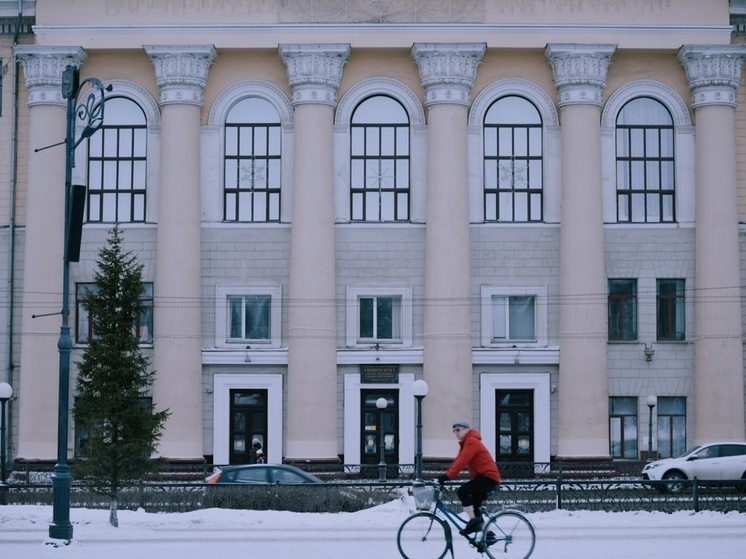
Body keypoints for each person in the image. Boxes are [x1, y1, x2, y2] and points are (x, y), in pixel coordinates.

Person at [437, 421, 501, 536]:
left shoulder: (471, 441)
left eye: (458, 430)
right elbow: (458, 460)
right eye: (454, 431)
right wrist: (447, 475)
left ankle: (473, 523)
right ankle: (488, 535)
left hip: (488, 477)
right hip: (484, 476)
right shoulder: (467, 442)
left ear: (466, 430)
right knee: (474, 505)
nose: (456, 433)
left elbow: (462, 461)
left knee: (462, 491)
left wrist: (447, 476)